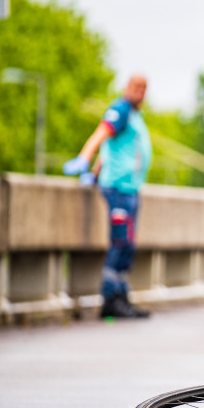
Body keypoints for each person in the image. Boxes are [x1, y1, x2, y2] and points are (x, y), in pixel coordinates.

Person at [63, 75, 153, 319]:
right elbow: (102, 133)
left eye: (144, 89)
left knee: (127, 244)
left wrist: (94, 172)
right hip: (118, 189)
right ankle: (111, 299)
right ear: (126, 88)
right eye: (136, 88)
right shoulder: (120, 110)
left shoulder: (135, 115)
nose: (140, 93)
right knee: (120, 242)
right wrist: (85, 156)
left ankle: (122, 296)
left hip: (129, 188)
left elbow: (112, 148)